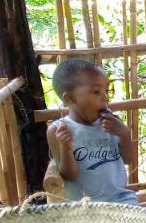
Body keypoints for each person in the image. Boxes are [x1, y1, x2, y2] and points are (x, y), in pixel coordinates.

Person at [47, 59, 138, 205]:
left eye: (106, 91)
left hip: (121, 199)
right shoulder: (59, 130)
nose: (105, 97)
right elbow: (69, 176)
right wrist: (66, 147)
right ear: (69, 98)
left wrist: (124, 134)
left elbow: (128, 160)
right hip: (84, 206)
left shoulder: (112, 124)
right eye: (96, 92)